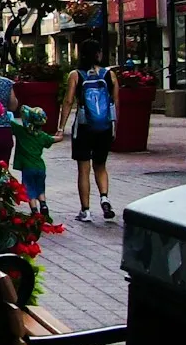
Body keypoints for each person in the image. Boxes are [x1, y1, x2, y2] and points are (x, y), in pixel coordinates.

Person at [57, 39, 119, 223]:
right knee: (100, 165)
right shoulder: (110, 75)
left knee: (83, 169)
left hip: (84, 127)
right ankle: (104, 198)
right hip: (104, 127)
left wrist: (61, 128)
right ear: (98, 54)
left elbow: (68, 101)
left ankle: (86, 210)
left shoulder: (76, 75)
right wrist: (115, 126)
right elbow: (115, 102)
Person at [10, 106, 59, 221]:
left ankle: (34, 211)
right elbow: (53, 139)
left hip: (27, 167)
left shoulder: (21, 131)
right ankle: (43, 204)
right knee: (40, 188)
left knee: (29, 189)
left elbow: (10, 122)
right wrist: (60, 134)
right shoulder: (43, 136)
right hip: (40, 167)